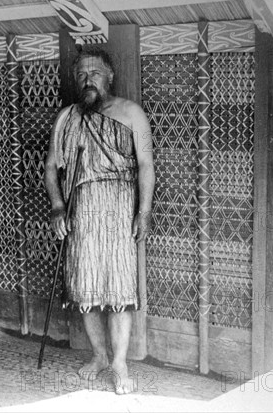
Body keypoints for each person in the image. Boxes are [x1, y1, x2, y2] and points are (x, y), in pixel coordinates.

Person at [44, 47, 155, 394]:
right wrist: (58, 207)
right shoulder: (67, 117)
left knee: (120, 287)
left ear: (110, 76)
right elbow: (50, 168)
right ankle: (98, 356)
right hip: (81, 212)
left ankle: (120, 364)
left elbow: (146, 166)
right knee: (84, 287)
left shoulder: (130, 113)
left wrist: (144, 212)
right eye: (81, 75)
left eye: (93, 73)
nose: (87, 80)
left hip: (120, 211)